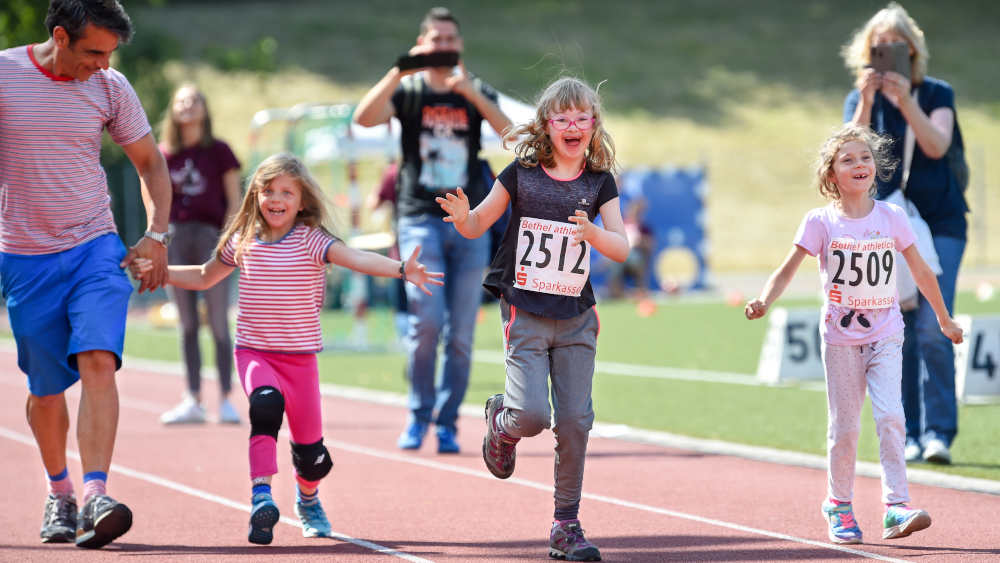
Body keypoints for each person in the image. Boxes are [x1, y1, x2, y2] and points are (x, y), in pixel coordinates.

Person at [131, 153, 442, 545]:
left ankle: (308, 498)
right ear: (255, 195)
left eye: (286, 192)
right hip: (255, 353)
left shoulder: (313, 241)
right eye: (268, 191)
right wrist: (160, 273)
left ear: (301, 201)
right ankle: (261, 495)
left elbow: (355, 258)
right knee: (264, 406)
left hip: (300, 361)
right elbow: (206, 275)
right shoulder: (243, 240)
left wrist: (400, 269)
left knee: (312, 458)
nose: (276, 199)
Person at [0, 0, 171, 549]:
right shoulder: (5, 75)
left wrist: (156, 233)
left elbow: (149, 163)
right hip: (24, 257)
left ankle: (97, 493)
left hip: (95, 245)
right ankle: (62, 492)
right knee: (45, 391)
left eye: (110, 54)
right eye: (93, 52)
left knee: (99, 358)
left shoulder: (111, 86)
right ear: (60, 35)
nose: (102, 64)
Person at [436, 77, 628, 562]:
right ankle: (501, 421)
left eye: (582, 118)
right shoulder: (522, 173)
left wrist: (591, 232)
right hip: (525, 311)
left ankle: (566, 525)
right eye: (562, 118)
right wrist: (463, 217)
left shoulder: (600, 182)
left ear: (594, 125)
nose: (572, 126)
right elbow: (479, 222)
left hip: (577, 316)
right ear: (546, 124)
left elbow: (622, 247)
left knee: (575, 421)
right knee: (531, 417)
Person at [744, 123, 963, 545]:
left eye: (865, 157)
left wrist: (943, 317)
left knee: (891, 417)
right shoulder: (820, 222)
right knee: (845, 428)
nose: (859, 164)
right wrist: (764, 300)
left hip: (886, 334)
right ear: (832, 176)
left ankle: (896, 506)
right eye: (848, 159)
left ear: (874, 170)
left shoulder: (893, 217)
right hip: (841, 341)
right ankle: (838, 504)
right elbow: (788, 268)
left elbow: (919, 269)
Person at [353, 6, 512, 454]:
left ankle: (447, 422)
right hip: (419, 217)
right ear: (422, 43)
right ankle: (418, 414)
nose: (443, 47)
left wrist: (472, 94)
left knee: (460, 333)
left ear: (459, 46)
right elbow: (364, 117)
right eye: (435, 40)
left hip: (468, 220)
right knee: (425, 323)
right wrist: (398, 70)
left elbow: (512, 134)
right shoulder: (410, 91)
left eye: (450, 40)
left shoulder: (474, 89)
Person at [841, 2, 969, 464]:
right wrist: (871, 101)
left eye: (897, 47)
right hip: (890, 225)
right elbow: (844, 156)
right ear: (867, 53)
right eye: (879, 48)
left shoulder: (936, 93)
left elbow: (936, 144)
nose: (888, 55)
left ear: (913, 51)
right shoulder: (860, 100)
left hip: (941, 220)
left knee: (936, 324)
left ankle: (939, 432)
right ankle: (910, 432)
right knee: (899, 329)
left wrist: (905, 100)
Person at [158, 84, 243, 426]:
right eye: (181, 101)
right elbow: (156, 199)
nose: (188, 106)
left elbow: (235, 201)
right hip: (176, 238)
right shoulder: (164, 154)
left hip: (212, 237)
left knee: (219, 322)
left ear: (205, 110)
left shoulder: (220, 151)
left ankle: (225, 399)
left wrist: (227, 242)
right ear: (173, 110)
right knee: (188, 323)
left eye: (194, 101)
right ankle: (192, 398)